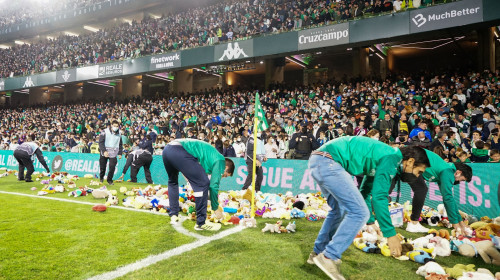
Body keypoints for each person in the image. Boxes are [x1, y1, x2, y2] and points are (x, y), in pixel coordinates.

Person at [307, 136, 430, 280]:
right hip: (328, 161)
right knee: (359, 212)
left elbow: (365, 192)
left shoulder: (384, 157)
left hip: (319, 160)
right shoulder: (392, 158)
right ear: (410, 161)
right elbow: (379, 197)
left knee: (339, 210)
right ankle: (329, 257)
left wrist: (371, 221)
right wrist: (390, 234)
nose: (417, 176)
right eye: (419, 172)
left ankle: (318, 253)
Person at [389, 150, 472, 235]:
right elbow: (448, 198)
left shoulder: (445, 169)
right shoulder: (448, 172)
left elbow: (450, 198)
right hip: (407, 162)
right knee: (421, 189)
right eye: (461, 180)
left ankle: (413, 222)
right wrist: (456, 224)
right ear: (458, 172)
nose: (458, 182)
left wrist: (461, 222)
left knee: (384, 194)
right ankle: (413, 223)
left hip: (404, 161)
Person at [162, 139, 235, 230]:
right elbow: (213, 185)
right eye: (226, 175)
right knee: (203, 183)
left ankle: (174, 214)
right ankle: (201, 223)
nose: (223, 177)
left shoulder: (210, 159)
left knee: (172, 182)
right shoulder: (220, 160)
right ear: (226, 167)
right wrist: (215, 208)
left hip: (167, 150)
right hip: (180, 150)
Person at [98, 120, 123, 185]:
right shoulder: (104, 131)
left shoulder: (119, 133)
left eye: (117, 126)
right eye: (114, 126)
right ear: (111, 125)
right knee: (102, 167)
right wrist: (104, 151)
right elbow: (101, 142)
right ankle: (101, 177)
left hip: (113, 152)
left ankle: (109, 180)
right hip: (105, 150)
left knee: (112, 166)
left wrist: (120, 153)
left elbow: (120, 144)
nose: (116, 127)